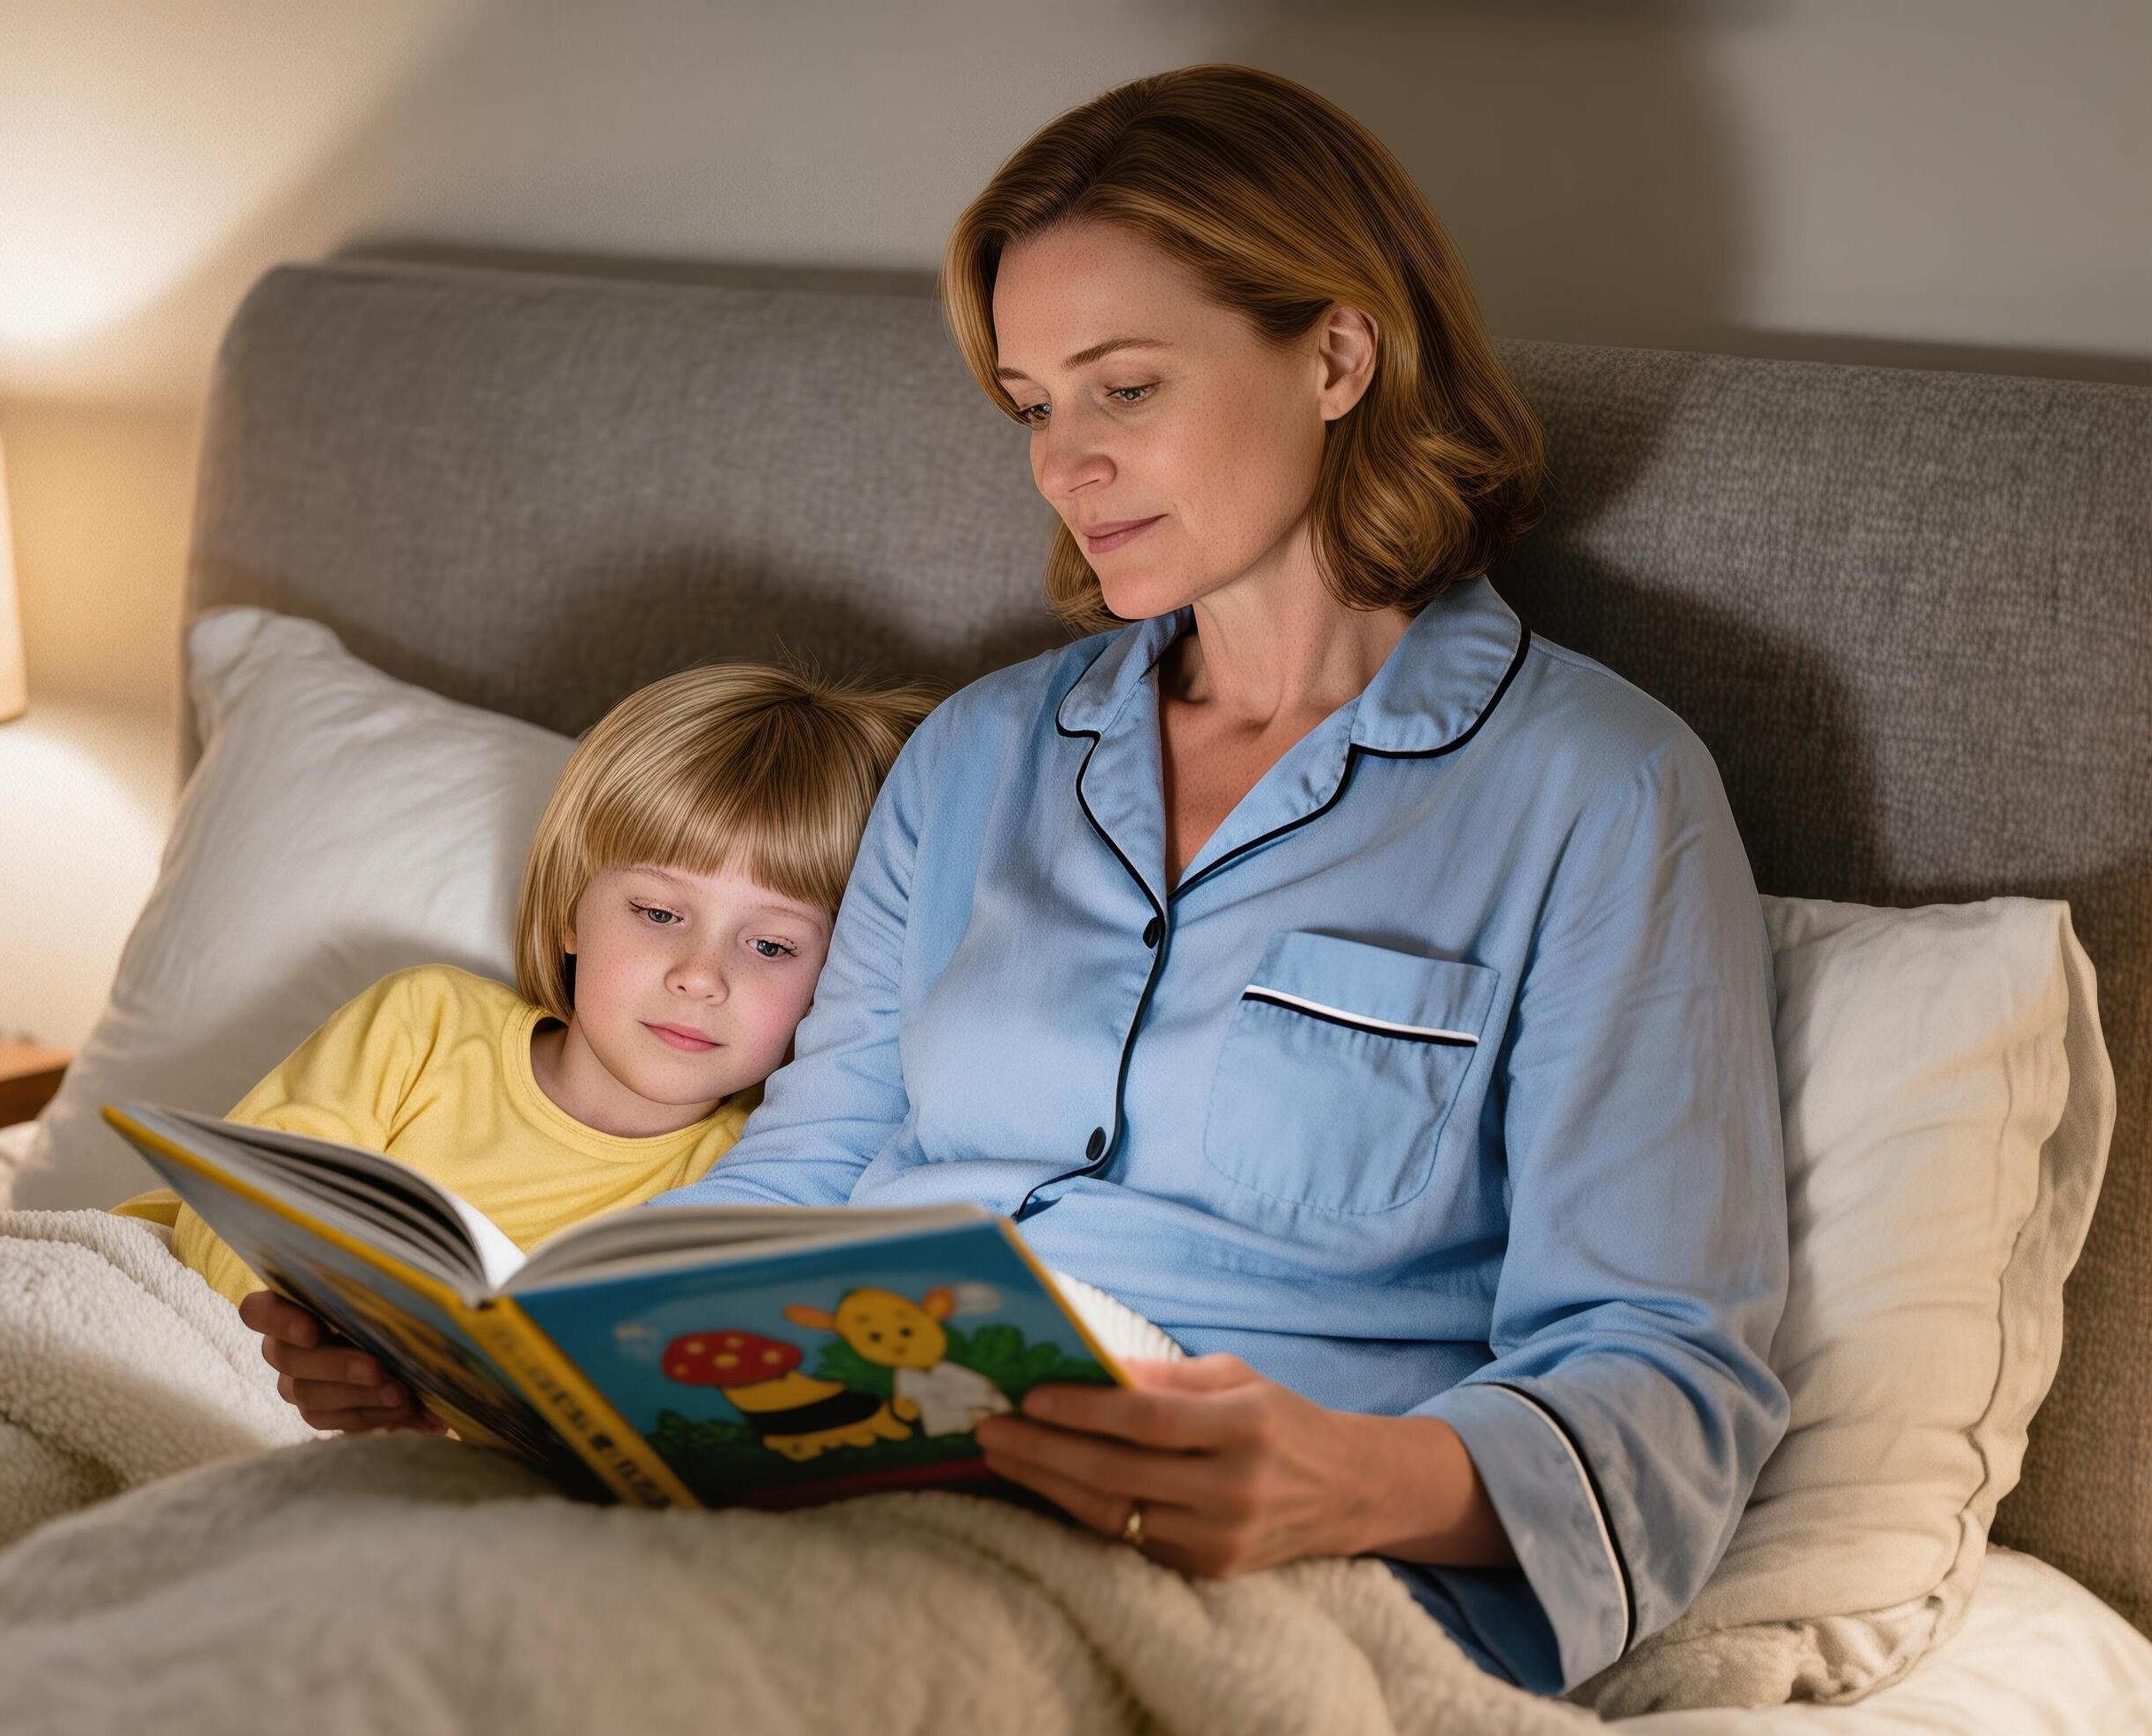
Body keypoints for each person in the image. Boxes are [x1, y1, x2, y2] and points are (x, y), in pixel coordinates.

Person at [257, 65, 1790, 1698]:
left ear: (1337, 354)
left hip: (1259, 1571)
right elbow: (811, 1171)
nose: (1064, 465)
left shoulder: (1598, 793)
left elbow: (1664, 1373)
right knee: (299, 1606)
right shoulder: (977, 757)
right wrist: (513, 1366)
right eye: (1031, 404)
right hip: (848, 1473)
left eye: (1123, 388)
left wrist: (1344, 1477)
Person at [123, 661, 938, 1411]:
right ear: (568, 913)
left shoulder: (762, 1175)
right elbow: (231, 1210)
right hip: (180, 1318)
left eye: (771, 946)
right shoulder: (426, 1024)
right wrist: (310, 1345)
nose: (700, 975)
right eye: (658, 913)